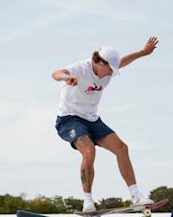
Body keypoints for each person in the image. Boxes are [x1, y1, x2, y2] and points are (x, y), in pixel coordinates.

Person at [52, 37, 159, 213]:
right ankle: (88, 201)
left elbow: (123, 61)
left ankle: (136, 196)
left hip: (92, 119)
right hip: (69, 119)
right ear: (99, 62)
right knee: (88, 150)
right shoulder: (81, 68)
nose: (111, 74)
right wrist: (67, 77)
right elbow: (55, 73)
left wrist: (143, 52)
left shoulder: (108, 67)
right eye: (109, 69)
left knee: (122, 148)